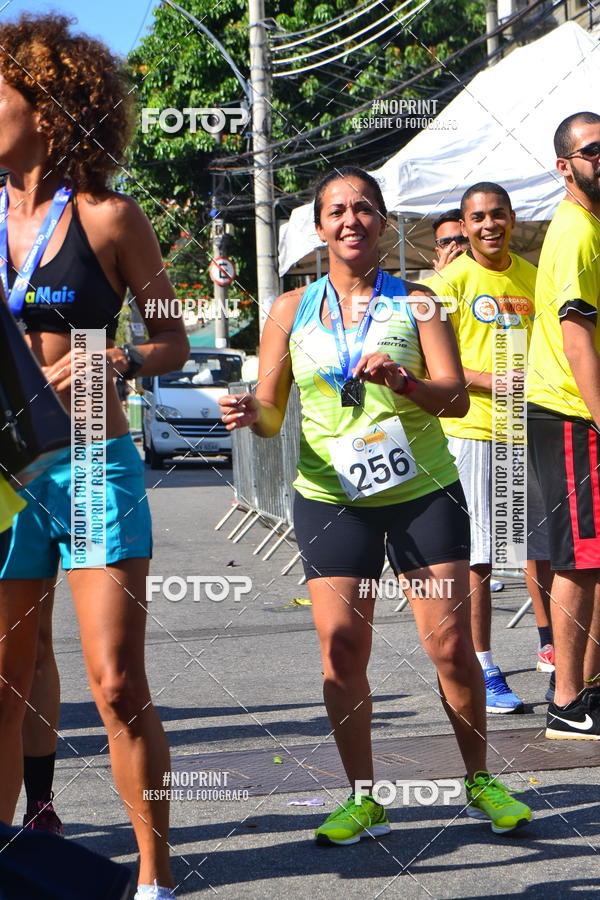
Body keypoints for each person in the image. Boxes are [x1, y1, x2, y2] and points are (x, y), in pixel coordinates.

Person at [220, 165, 532, 844]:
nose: (351, 221)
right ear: (319, 226)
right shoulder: (288, 309)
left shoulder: (419, 302)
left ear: (382, 224)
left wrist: (405, 380)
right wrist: (252, 411)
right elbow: (275, 415)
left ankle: (479, 779)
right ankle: (363, 797)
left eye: (364, 209)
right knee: (342, 651)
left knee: (450, 646)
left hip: (422, 492)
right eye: (337, 211)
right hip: (333, 499)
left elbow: (454, 396)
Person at [0, 13, 189, 899]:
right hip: (3, 471)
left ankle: (152, 878)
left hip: (89, 452)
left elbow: (173, 342)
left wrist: (114, 358)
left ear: (45, 109)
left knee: (116, 683)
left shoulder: (110, 218)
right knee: (4, 684)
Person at [427, 183, 553, 713]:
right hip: (474, 434)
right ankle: (484, 665)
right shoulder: (446, 283)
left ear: (511, 218)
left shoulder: (534, 277)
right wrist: (494, 378)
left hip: (534, 430)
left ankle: (554, 653)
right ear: (466, 223)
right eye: (477, 218)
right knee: (480, 558)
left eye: (497, 215)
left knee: (545, 550)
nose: (488, 225)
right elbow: (434, 366)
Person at [527, 111, 600, 739]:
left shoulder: (593, 225)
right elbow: (579, 340)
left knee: (597, 558)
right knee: (578, 561)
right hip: (573, 413)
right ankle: (566, 700)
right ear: (565, 166)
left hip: (584, 413)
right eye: (592, 150)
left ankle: (588, 693)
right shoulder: (575, 229)